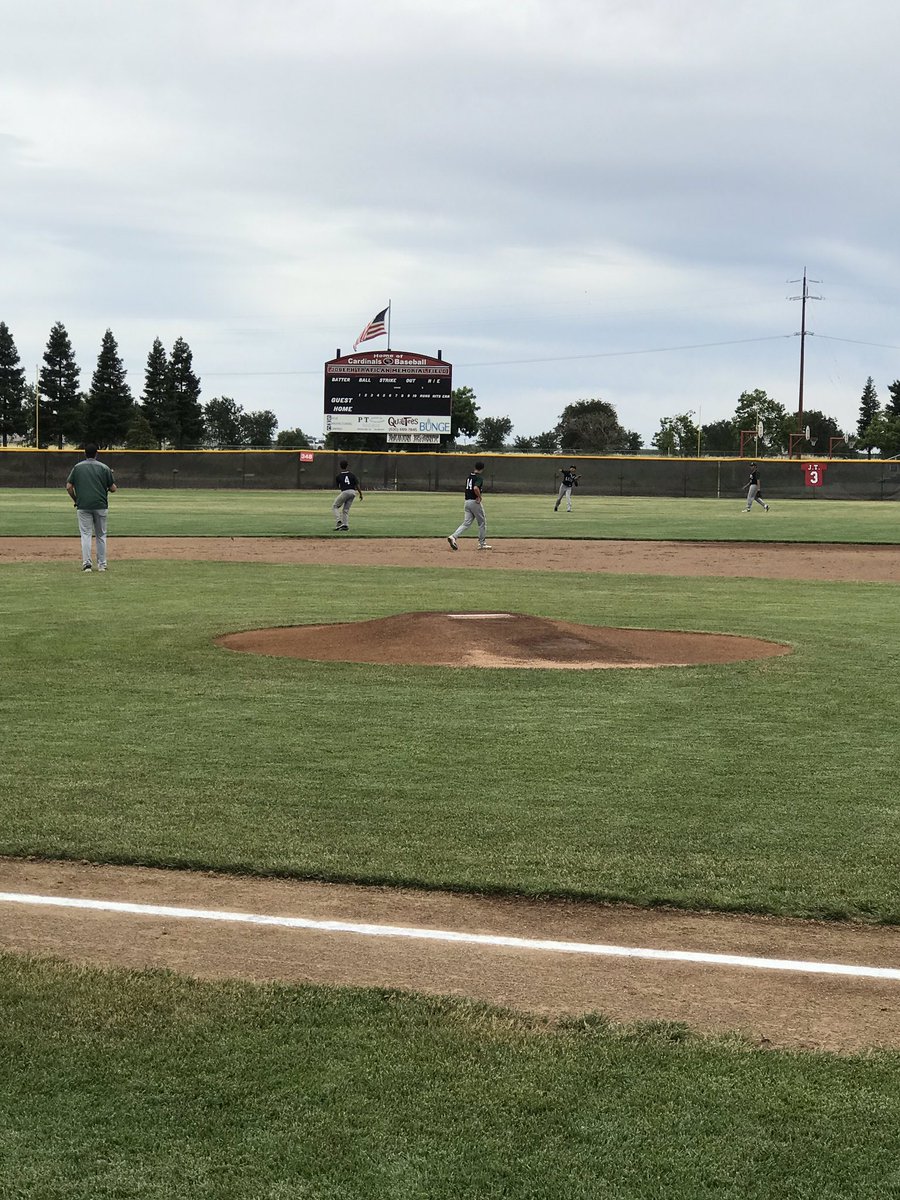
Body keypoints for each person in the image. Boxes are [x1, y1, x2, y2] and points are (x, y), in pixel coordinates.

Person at [65, 444, 117, 572]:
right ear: (96, 454)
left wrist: (76, 500)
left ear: (85, 453)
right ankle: (102, 565)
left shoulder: (77, 467)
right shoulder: (104, 468)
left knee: (86, 535)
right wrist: (108, 479)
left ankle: (87, 564)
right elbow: (113, 489)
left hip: (83, 506)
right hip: (100, 505)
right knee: (101, 536)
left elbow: (69, 487)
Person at [447, 461, 491, 550]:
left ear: (475, 467)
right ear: (482, 469)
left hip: (467, 502)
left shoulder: (469, 477)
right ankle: (482, 544)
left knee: (466, 523)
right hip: (474, 502)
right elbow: (475, 488)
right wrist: (479, 497)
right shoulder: (479, 478)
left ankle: (453, 537)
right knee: (482, 523)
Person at [332, 460, 363, 531]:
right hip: (353, 492)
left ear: (340, 466)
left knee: (335, 506)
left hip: (345, 492)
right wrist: (360, 494)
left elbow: (338, 486)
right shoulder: (352, 475)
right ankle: (345, 525)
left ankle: (339, 521)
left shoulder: (338, 476)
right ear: (347, 466)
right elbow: (357, 485)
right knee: (345, 510)